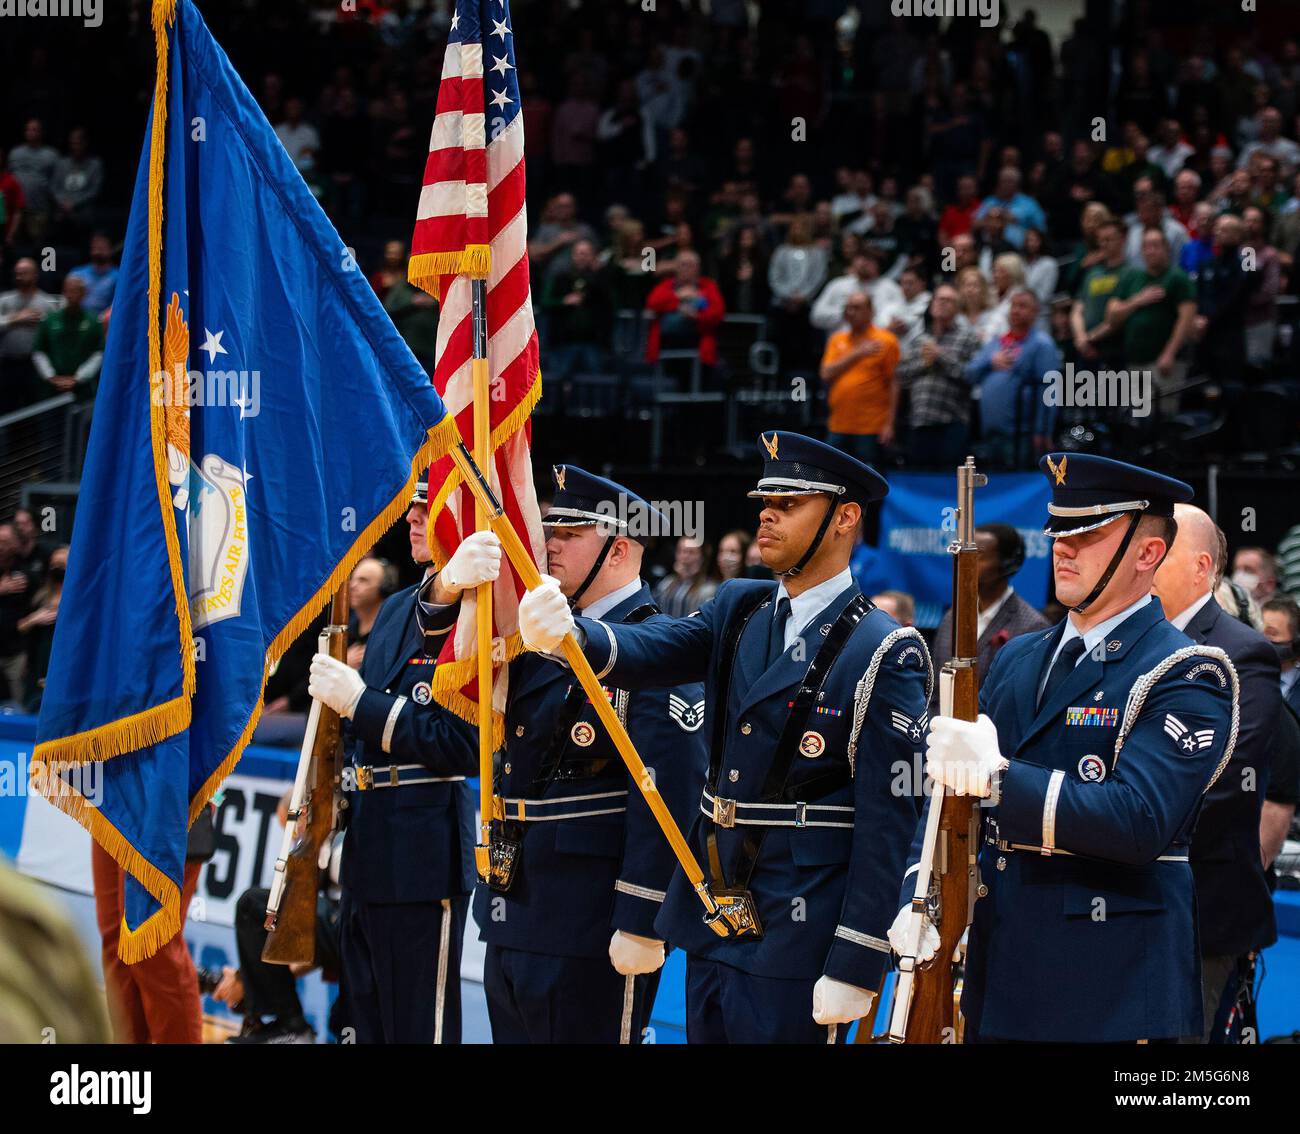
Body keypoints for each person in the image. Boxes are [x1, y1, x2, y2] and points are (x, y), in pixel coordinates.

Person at [518, 432, 932, 1044]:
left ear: (845, 518)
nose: (766, 512)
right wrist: (577, 636)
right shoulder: (742, 606)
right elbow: (657, 647)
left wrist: (857, 957)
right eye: (765, 499)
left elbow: (889, 821)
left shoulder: (884, 650)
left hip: (801, 924)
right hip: (715, 905)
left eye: (790, 504)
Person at [895, 454, 1237, 1043]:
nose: (1064, 547)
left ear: (1148, 554)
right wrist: (917, 892)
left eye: (1089, 534)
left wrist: (999, 778)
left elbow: (1139, 820)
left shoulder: (1185, 673)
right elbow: (949, 800)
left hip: (1110, 985)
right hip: (1000, 971)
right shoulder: (1020, 656)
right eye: (1058, 531)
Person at [434, 466, 704, 1044]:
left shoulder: (657, 651)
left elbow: (670, 797)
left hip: (591, 922)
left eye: (570, 532)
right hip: (516, 905)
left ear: (618, 550)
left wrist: (641, 919)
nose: (548, 543)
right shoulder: (536, 637)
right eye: (549, 527)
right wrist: (446, 592)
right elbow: (458, 678)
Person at [305, 475, 491, 1044]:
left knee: (419, 1024)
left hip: (422, 848)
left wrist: (360, 703)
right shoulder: (394, 610)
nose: (412, 519)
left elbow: (459, 745)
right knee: (363, 1018)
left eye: (426, 509)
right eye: (411, 509)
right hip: (367, 844)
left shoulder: (479, 615)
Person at [1153, 505, 1280, 1042]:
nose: (1143, 562)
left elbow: (1225, 779)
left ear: (1200, 567)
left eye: (1160, 552)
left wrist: (1122, 823)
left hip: (1203, 905)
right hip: (1124, 900)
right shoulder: (1128, 643)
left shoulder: (1243, 651)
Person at [217, 790, 342, 1043]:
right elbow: (308, 946)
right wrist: (249, 979)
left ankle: (291, 1026)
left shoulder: (338, 846)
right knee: (268, 913)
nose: (294, 839)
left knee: (253, 905)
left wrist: (248, 980)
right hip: (346, 932)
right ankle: (283, 1026)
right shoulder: (322, 848)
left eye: (292, 829)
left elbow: (334, 931)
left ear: (304, 812)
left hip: (361, 928)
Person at [930, 523, 1049, 690]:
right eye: (962, 553)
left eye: (976, 555)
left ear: (1007, 564)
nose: (964, 562)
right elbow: (935, 690)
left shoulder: (1032, 627)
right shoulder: (952, 617)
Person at [1106, 227, 1197, 416]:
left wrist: (1169, 354)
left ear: (1166, 249)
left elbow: (1186, 319)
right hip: (1134, 362)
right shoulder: (1132, 277)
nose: (1151, 250)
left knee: (1162, 418)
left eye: (1156, 245)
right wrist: (1137, 301)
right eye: (1146, 246)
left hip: (1163, 363)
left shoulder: (1177, 278)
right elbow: (1112, 315)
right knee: (1137, 419)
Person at [965, 287, 1060, 468]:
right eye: (1013, 305)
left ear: (1035, 312)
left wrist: (1043, 431)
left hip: (1021, 435)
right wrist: (991, 362)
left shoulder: (1041, 344)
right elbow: (969, 373)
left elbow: (1049, 391)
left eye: (1022, 306)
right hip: (989, 432)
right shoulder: (996, 342)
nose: (1015, 310)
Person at [895, 284, 981, 470]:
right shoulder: (919, 340)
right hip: (920, 421)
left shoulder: (968, 338)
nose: (942, 303)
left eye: (949, 300)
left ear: (958, 308)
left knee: (949, 483)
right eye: (939, 299)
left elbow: (971, 376)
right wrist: (924, 364)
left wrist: (939, 356)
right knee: (920, 481)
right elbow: (901, 375)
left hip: (952, 423)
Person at [819, 290, 900, 466]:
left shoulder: (885, 340)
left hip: (870, 427)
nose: (850, 312)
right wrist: (858, 353)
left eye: (856, 308)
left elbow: (894, 383)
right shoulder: (837, 339)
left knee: (868, 479)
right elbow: (826, 373)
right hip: (838, 424)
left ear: (870, 311)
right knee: (832, 474)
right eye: (848, 308)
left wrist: (889, 424)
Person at [540, 237, 614, 383]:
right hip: (563, 341)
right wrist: (563, 301)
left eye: (586, 253)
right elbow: (544, 302)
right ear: (573, 255)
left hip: (592, 341)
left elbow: (611, 303)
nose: (582, 257)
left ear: (593, 256)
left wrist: (599, 276)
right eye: (579, 253)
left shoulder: (601, 278)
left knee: (595, 382)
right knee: (558, 382)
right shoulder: (560, 277)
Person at [643, 250, 725, 372]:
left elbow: (717, 312)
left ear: (698, 268)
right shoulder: (666, 285)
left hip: (698, 347)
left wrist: (696, 316)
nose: (685, 268)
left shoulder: (708, 286)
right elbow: (653, 303)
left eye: (690, 265)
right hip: (667, 347)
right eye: (682, 264)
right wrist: (678, 298)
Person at [0, 257, 60, 414]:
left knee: (33, 409)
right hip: (8, 363)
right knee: (8, 409)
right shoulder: (4, 300)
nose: (20, 277)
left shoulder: (46, 302)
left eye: (24, 273)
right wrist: (16, 319)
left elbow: (54, 331)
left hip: (34, 364)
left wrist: (43, 322)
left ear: (35, 275)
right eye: (17, 273)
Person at [32, 274, 103, 402]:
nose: (71, 295)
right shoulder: (50, 320)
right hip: (51, 387)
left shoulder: (93, 321)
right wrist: (51, 376)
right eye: (68, 290)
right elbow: (39, 351)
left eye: (76, 291)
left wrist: (78, 378)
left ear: (84, 293)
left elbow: (98, 354)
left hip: (82, 388)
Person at [16, 542, 64, 712]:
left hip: (63, 665)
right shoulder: (40, 595)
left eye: (62, 564)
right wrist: (35, 618)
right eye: (54, 564)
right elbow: (21, 626)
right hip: (37, 664)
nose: (57, 568)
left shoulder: (80, 599)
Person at [810, 249, 903, 335]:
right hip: (841, 345)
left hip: (876, 344)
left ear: (878, 264)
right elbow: (816, 316)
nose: (864, 263)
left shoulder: (890, 288)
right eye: (860, 259)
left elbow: (898, 318)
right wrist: (845, 314)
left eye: (869, 260)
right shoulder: (838, 285)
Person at [654, 535, 717, 618]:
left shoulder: (709, 589)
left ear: (702, 557)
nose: (684, 556)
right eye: (681, 551)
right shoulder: (665, 584)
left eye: (691, 552)